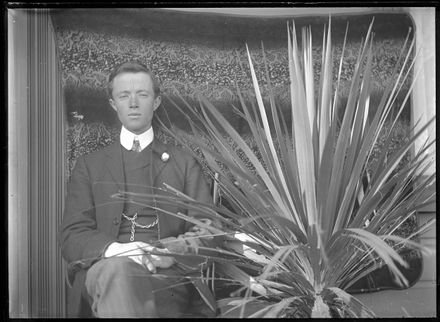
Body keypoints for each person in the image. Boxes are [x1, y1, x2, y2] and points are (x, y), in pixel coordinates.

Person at [58, 61, 219, 318]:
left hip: (167, 278)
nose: (133, 103)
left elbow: (208, 230)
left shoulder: (184, 163)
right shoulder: (89, 166)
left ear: (156, 101)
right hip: (106, 269)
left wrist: (169, 253)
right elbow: (72, 235)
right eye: (124, 95)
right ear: (113, 104)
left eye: (142, 94)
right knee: (117, 271)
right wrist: (117, 250)